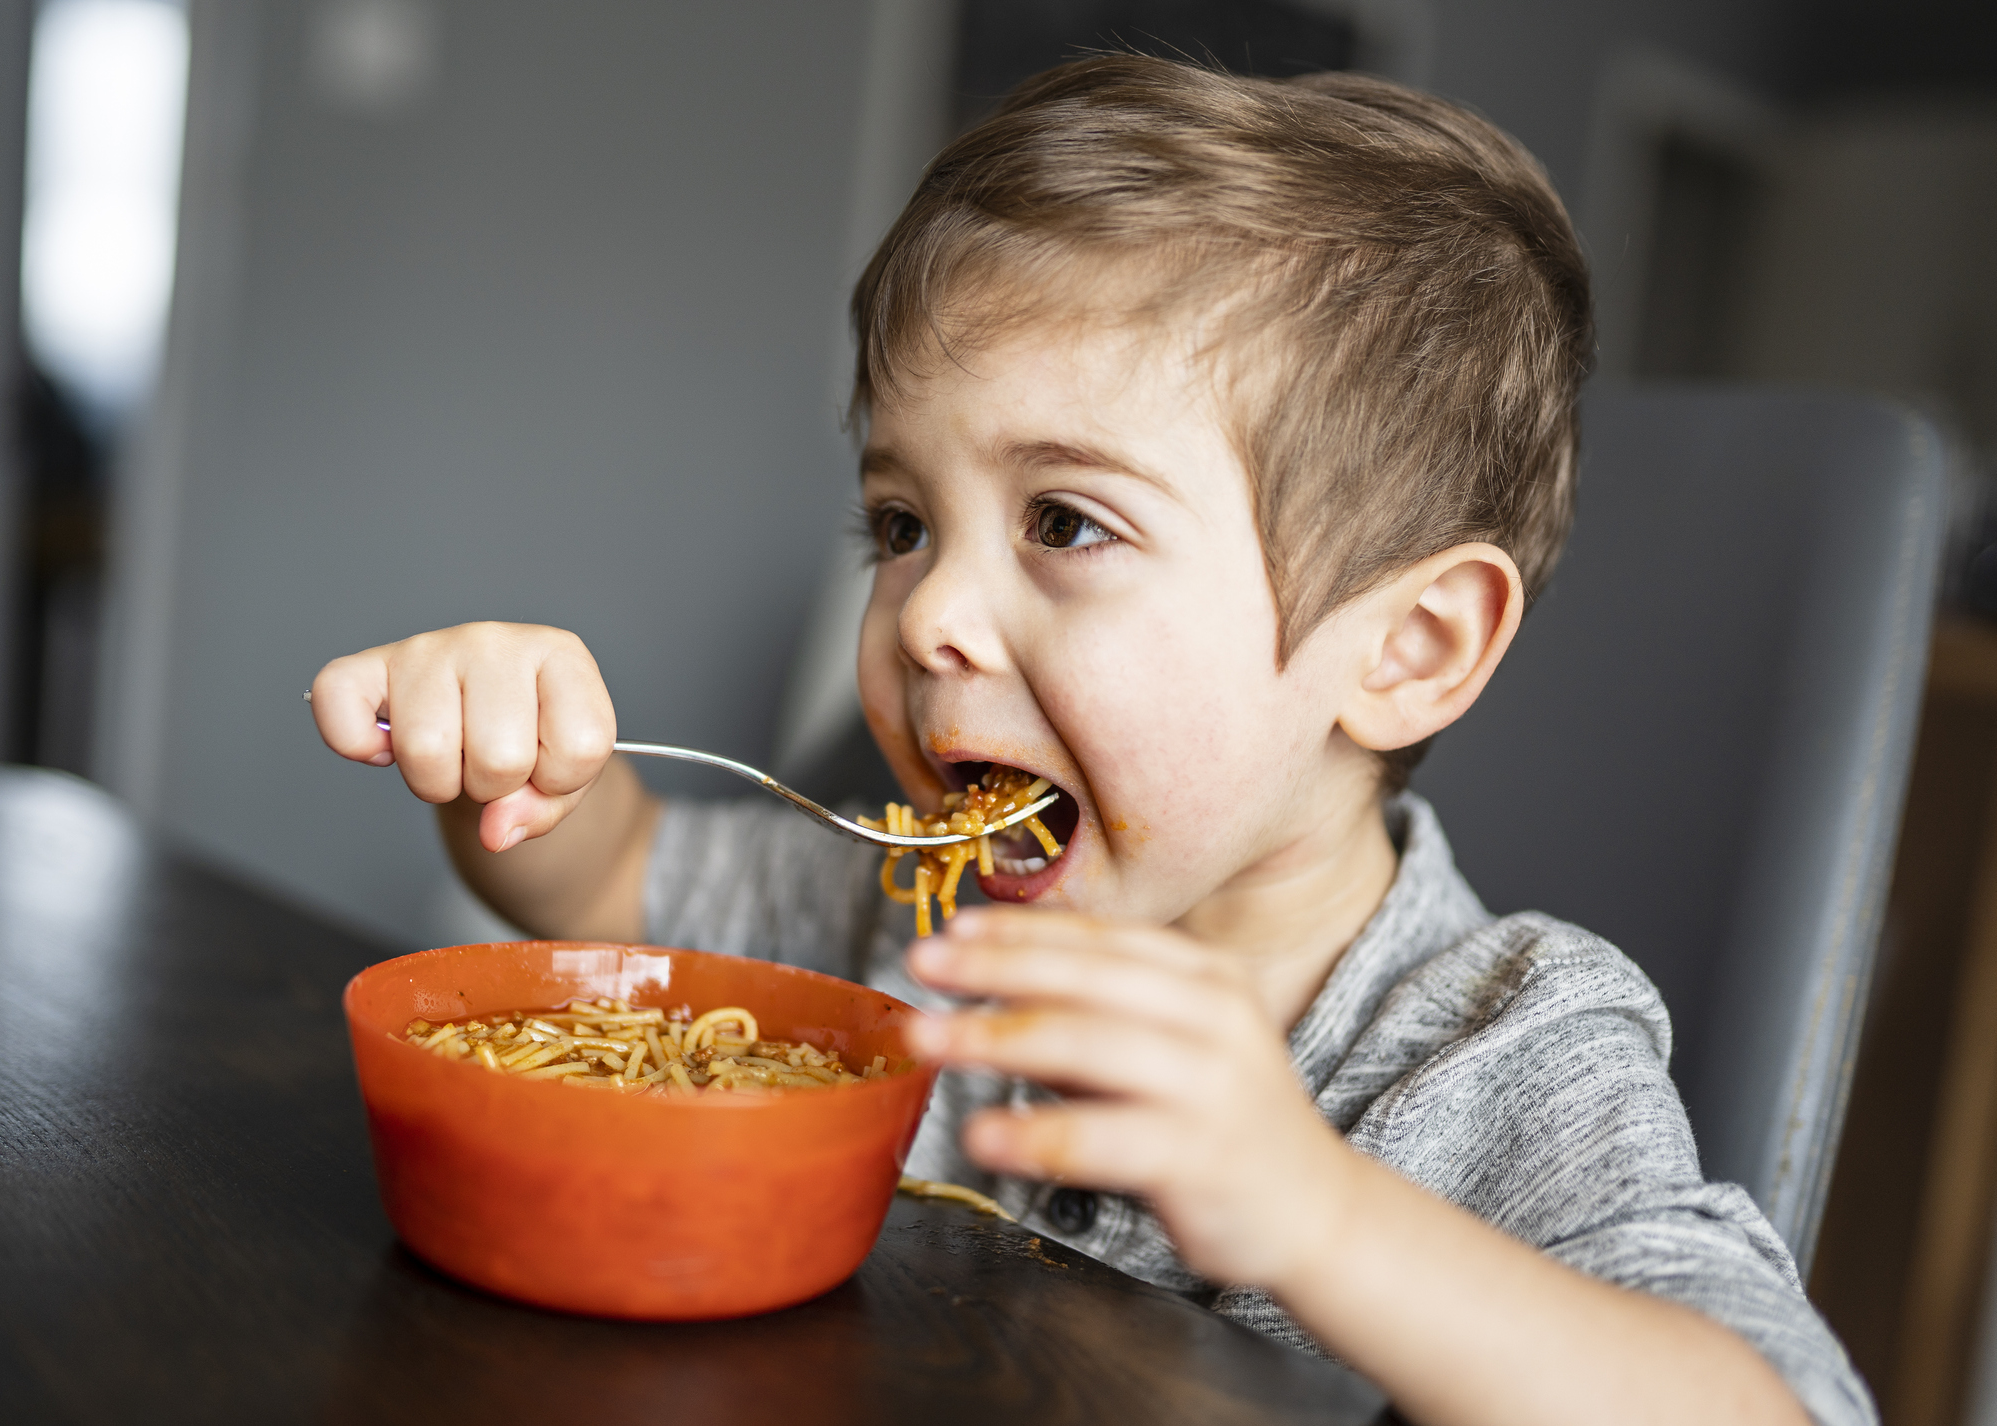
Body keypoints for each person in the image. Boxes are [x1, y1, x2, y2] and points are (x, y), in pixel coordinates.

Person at [310, 57, 1873, 1426]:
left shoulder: (1493, 1049)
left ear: (1406, 650)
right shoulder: (913, 925)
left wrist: (1315, 1214)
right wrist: (516, 770)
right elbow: (618, 891)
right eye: (901, 523)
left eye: (1065, 520)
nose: (928, 615)